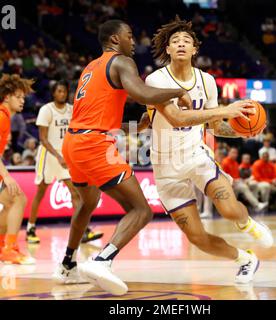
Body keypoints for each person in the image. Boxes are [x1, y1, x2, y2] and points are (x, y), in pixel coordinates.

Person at [53, 19, 195, 294]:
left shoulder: (91, 66)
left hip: (73, 141)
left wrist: (136, 125)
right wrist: (179, 91)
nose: (134, 40)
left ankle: (68, 263)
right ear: (116, 39)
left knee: (87, 202)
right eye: (130, 35)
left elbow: (99, 109)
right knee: (141, 210)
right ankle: (101, 259)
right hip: (94, 144)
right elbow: (141, 92)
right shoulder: (121, 62)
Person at [145, 16, 273, 284]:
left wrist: (241, 131)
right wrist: (226, 110)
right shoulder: (156, 80)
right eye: (175, 41)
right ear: (167, 49)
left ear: (195, 50)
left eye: (186, 41)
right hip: (165, 167)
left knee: (228, 209)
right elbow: (178, 118)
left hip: (196, 156)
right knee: (197, 238)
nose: (180, 44)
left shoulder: (207, 81)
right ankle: (245, 259)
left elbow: (213, 125)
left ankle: (248, 223)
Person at [27, 80, 103, 244]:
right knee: (41, 192)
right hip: (48, 156)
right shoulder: (46, 110)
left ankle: (83, 231)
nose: (62, 94)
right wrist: (58, 156)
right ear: (54, 93)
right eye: (59, 91)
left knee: (75, 193)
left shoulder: (71, 110)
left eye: (64, 91)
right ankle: (30, 228)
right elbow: (43, 139)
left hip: (66, 156)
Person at [0, 74, 35, 264]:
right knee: (17, 198)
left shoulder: (5, 116)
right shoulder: (2, 116)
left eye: (24, 97)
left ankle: (3, 247)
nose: (23, 101)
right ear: (7, 97)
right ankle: (9, 248)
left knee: (11, 201)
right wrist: (6, 175)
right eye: (18, 97)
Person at [222, 148, 267, 212]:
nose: (235, 155)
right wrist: (234, 181)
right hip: (229, 184)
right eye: (233, 152)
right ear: (229, 153)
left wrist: (242, 181)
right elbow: (223, 176)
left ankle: (255, 206)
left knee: (254, 185)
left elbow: (237, 176)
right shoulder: (225, 162)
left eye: (236, 153)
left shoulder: (235, 163)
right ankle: (257, 205)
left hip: (238, 183)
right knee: (243, 187)